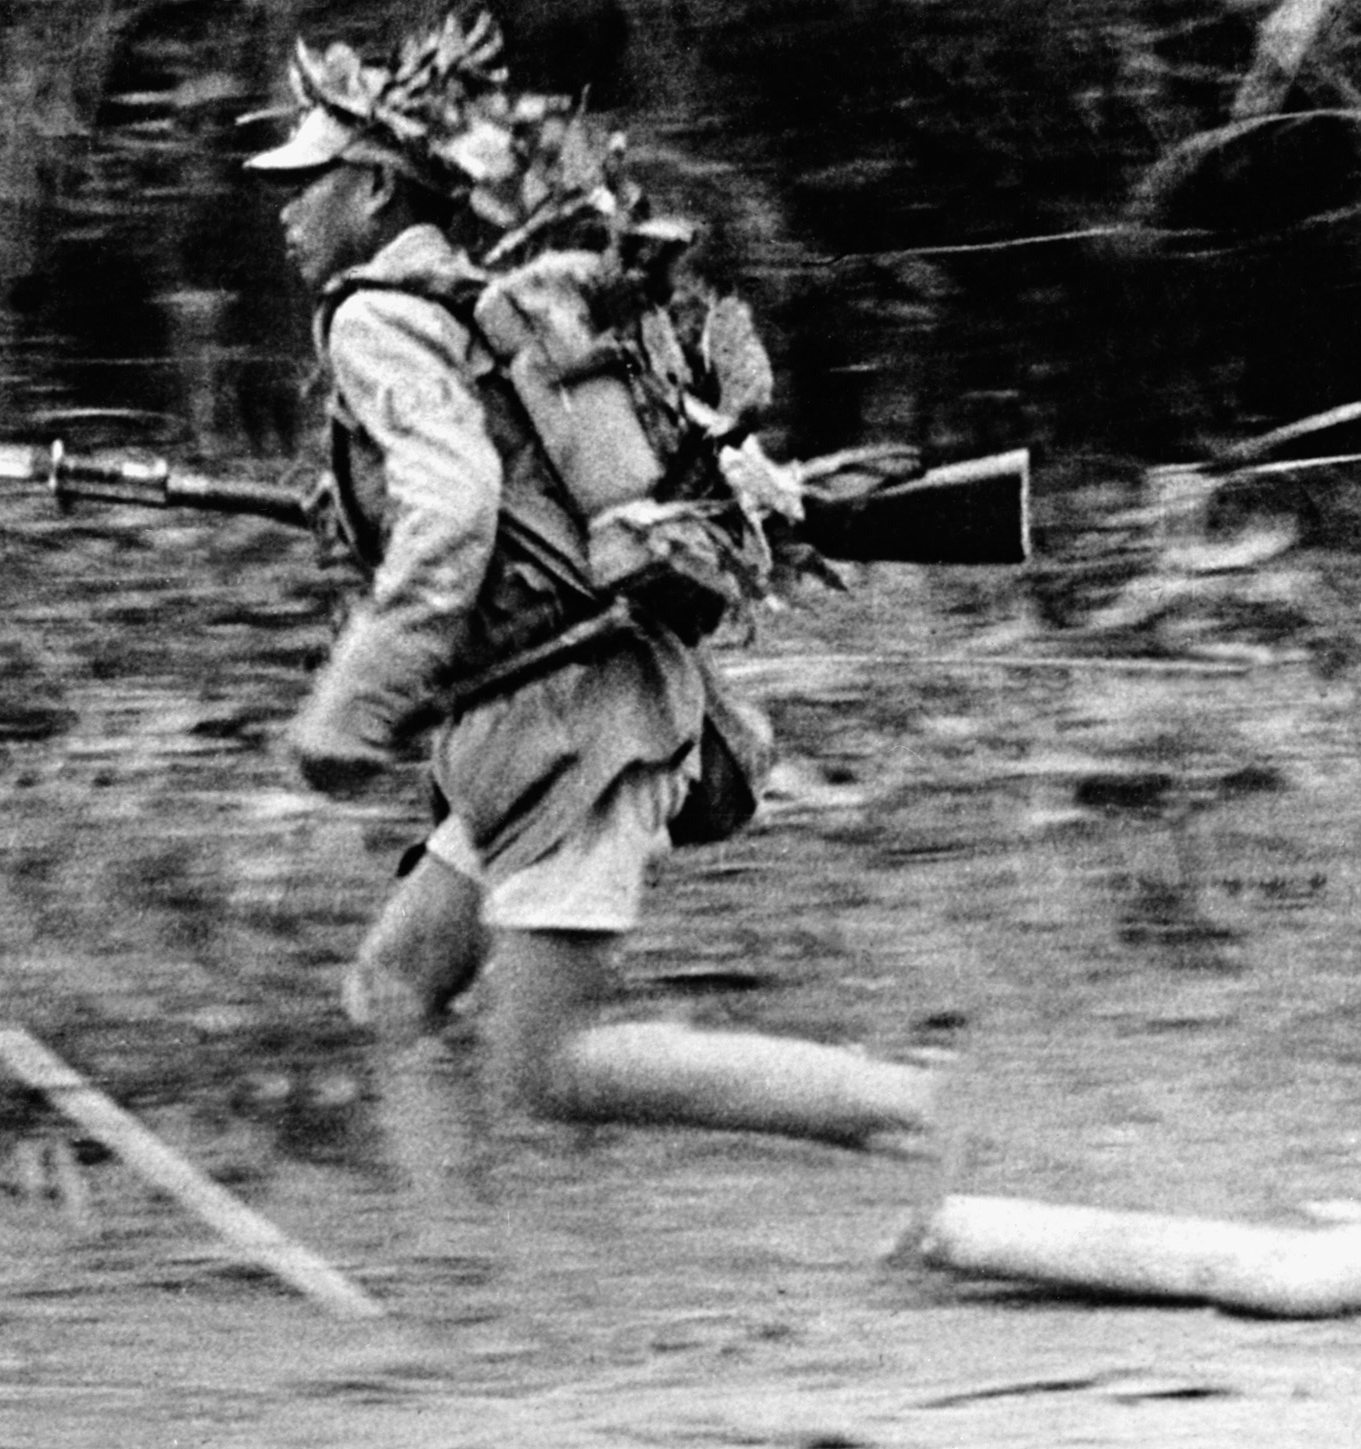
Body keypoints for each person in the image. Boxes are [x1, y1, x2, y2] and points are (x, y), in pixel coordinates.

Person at [246, 28, 934, 1144]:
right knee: (395, 990)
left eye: (305, 180)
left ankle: (912, 1105)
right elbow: (505, 501)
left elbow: (456, 509)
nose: (284, 207)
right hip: (533, 719)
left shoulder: (377, 316)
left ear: (370, 187)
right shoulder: (466, 305)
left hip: (569, 725)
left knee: (544, 1066)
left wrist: (352, 699)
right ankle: (460, 1282)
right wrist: (354, 511)